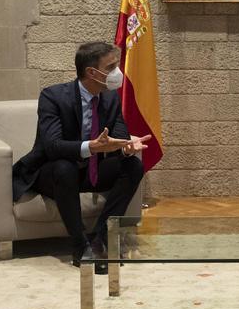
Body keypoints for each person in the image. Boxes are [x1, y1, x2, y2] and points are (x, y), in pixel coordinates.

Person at [11, 41, 148, 272]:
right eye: (111, 66)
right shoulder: (53, 96)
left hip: (92, 170)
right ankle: (79, 245)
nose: (117, 72)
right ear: (92, 73)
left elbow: (120, 134)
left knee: (133, 167)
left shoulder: (110, 97)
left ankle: (101, 238)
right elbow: (52, 146)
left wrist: (126, 147)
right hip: (52, 173)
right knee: (65, 167)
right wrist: (90, 147)